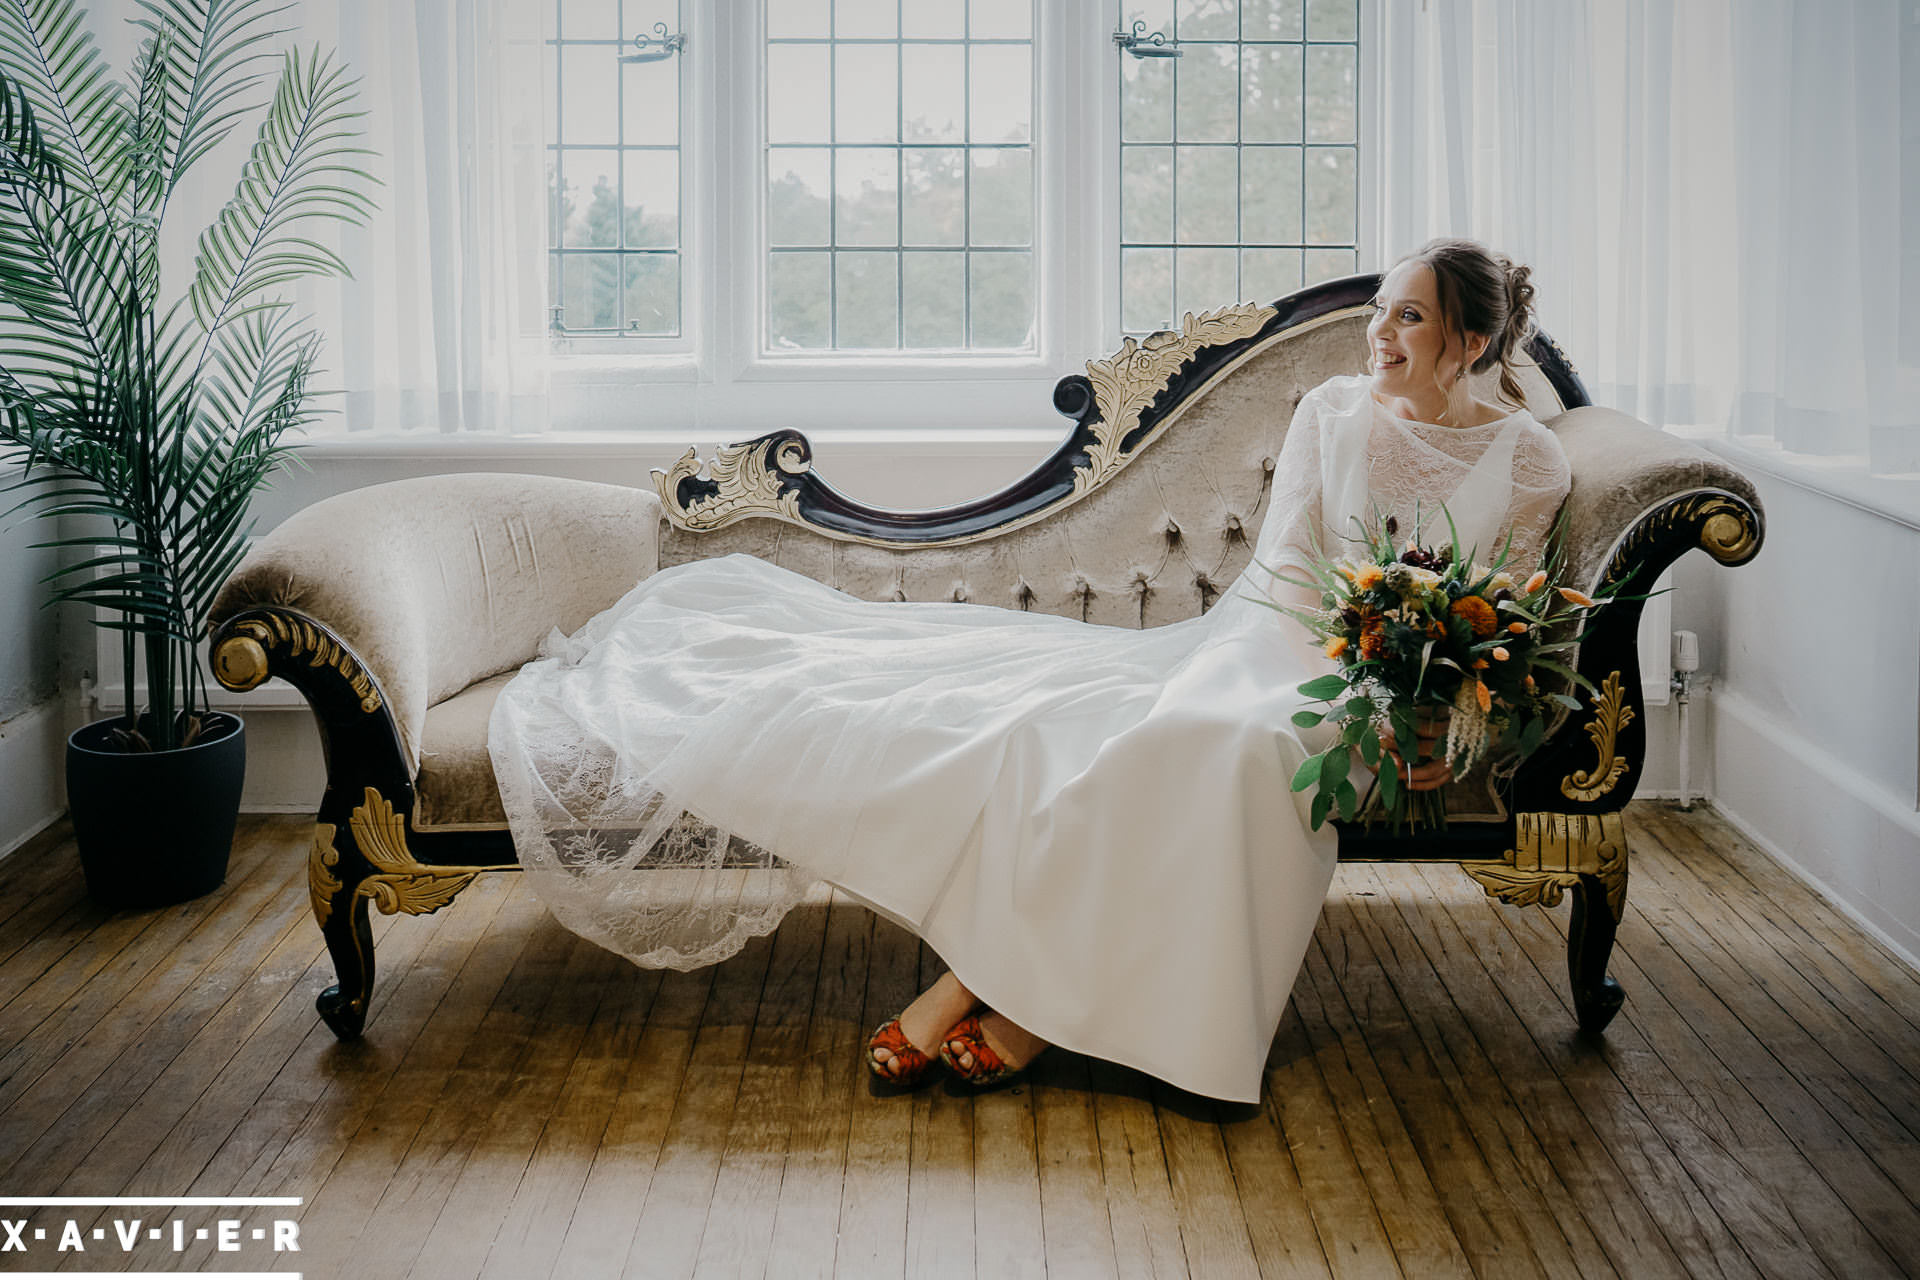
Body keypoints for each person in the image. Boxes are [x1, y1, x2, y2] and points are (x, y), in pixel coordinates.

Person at [486, 237, 1571, 1104]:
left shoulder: (1531, 456)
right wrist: (1341, 660)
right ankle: (1012, 997)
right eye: (1380, 308)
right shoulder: (1333, 411)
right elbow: (1290, 566)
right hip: (1282, 641)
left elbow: (1504, 612)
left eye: (1408, 315)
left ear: (1470, 340)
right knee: (1191, 736)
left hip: (1375, 696)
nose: (1378, 331)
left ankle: (1000, 994)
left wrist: (1442, 718)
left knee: (1237, 753)